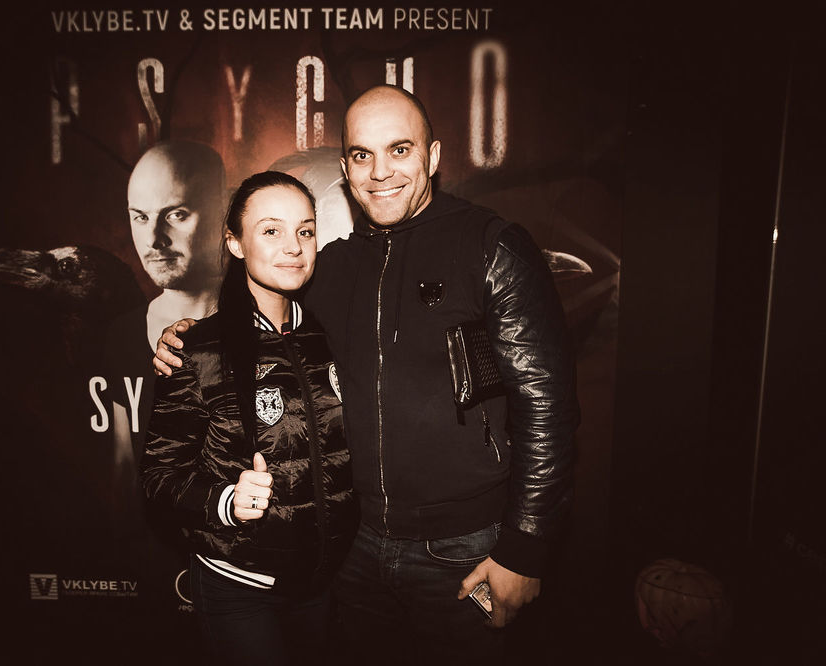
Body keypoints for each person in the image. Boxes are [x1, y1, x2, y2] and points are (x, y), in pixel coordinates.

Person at [154, 86, 579, 663]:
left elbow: (547, 405)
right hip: (350, 551)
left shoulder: (490, 246)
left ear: (432, 156)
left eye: (399, 150)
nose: (380, 172)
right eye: (361, 155)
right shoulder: (329, 267)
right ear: (346, 167)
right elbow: (261, 313)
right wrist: (190, 335)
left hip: (462, 549)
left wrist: (525, 550)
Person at [140, 171, 357, 665]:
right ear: (235, 244)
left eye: (305, 230)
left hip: (324, 583)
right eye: (271, 230)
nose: (293, 247)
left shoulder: (333, 336)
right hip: (239, 587)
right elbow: (158, 476)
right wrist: (226, 501)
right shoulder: (197, 349)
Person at [105, 141, 226, 516]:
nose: (154, 239)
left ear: (222, 212)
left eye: (176, 214)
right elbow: (123, 476)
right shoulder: (120, 336)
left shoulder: (263, 326)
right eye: (140, 217)